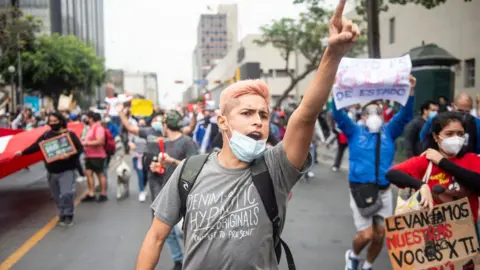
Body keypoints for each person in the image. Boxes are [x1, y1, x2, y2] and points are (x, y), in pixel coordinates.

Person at [135, 2, 360, 269]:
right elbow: (156, 237)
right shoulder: (189, 172)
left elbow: (306, 115)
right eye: (247, 113)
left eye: (263, 115)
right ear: (222, 122)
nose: (258, 121)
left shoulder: (275, 168)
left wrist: (332, 54)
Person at [333, 76, 416, 270]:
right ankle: (353, 256)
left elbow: (405, 114)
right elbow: (337, 113)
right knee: (367, 235)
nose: (374, 114)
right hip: (361, 189)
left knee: (380, 234)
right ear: (362, 116)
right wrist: (335, 92)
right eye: (369, 112)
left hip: (384, 191)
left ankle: (367, 265)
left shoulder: (390, 131)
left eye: (377, 111)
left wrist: (410, 91)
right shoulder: (354, 131)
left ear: (383, 115)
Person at [387, 112, 480, 222]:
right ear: (436, 137)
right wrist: (422, 186)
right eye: (449, 134)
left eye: (460, 134)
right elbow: (392, 174)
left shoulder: (472, 159)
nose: (456, 138)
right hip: (434, 230)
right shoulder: (426, 160)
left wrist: (442, 162)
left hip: (467, 231)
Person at [15, 111, 83, 227]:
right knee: (56, 196)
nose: (52, 123)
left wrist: (69, 155)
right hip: (52, 171)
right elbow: (36, 146)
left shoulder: (69, 135)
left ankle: (68, 215)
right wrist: (22, 152)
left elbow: (79, 149)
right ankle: (62, 214)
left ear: (60, 121)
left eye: (54, 121)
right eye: (50, 121)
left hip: (67, 170)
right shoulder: (46, 135)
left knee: (66, 193)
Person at [81, 111, 108, 202]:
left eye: (87, 118)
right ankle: (91, 193)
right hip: (89, 155)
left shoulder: (98, 128)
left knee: (100, 174)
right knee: (89, 174)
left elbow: (101, 141)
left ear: (91, 118)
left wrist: (86, 143)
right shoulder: (90, 128)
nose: (85, 120)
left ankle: (103, 193)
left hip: (97, 156)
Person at [129, 118, 149, 202]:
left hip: (147, 157)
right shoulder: (134, 134)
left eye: (143, 124)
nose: (141, 126)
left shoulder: (148, 134)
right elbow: (130, 142)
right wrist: (131, 144)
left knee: (146, 176)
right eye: (139, 124)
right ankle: (141, 191)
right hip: (137, 157)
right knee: (140, 175)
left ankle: (143, 187)